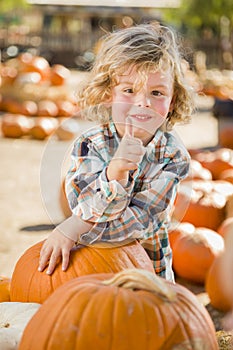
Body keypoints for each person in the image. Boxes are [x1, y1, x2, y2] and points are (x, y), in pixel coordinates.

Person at [38, 22, 194, 279]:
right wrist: (114, 175)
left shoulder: (172, 156)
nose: (143, 102)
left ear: (172, 100)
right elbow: (80, 203)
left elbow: (140, 224)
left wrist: (76, 227)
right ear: (108, 93)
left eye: (157, 92)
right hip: (91, 268)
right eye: (129, 90)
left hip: (148, 275)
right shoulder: (90, 145)